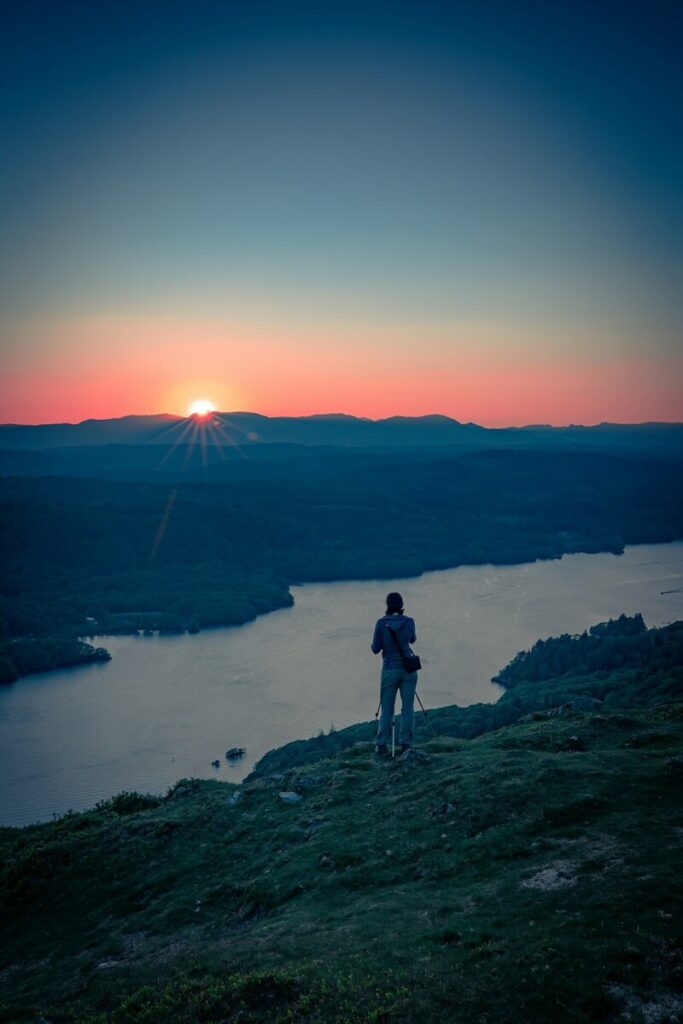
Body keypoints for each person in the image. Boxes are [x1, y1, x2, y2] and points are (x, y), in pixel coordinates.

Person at [371, 591, 418, 756]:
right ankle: (406, 744)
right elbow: (412, 639)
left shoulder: (381, 624)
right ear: (402, 605)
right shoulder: (409, 621)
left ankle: (382, 745)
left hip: (390, 669)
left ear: (387, 605)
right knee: (408, 708)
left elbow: (375, 649)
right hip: (408, 670)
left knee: (387, 709)